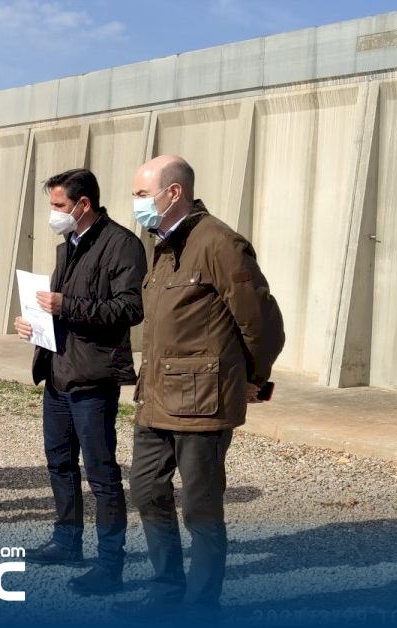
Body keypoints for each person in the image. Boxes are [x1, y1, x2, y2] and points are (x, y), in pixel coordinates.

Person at [121, 155, 284, 620]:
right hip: (155, 399)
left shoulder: (218, 243)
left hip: (201, 405)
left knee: (201, 509)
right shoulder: (163, 244)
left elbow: (261, 322)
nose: (136, 203)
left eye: (142, 194)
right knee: (146, 491)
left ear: (173, 193)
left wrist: (254, 378)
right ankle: (167, 591)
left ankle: (201, 605)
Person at [14, 169, 146, 594]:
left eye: (59, 206)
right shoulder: (67, 245)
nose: (53, 214)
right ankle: (67, 542)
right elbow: (59, 310)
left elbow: (131, 308)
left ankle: (110, 565)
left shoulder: (122, 244)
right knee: (59, 463)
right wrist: (33, 324)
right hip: (57, 374)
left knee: (102, 474)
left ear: (83, 204)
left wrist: (66, 305)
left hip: (93, 377)